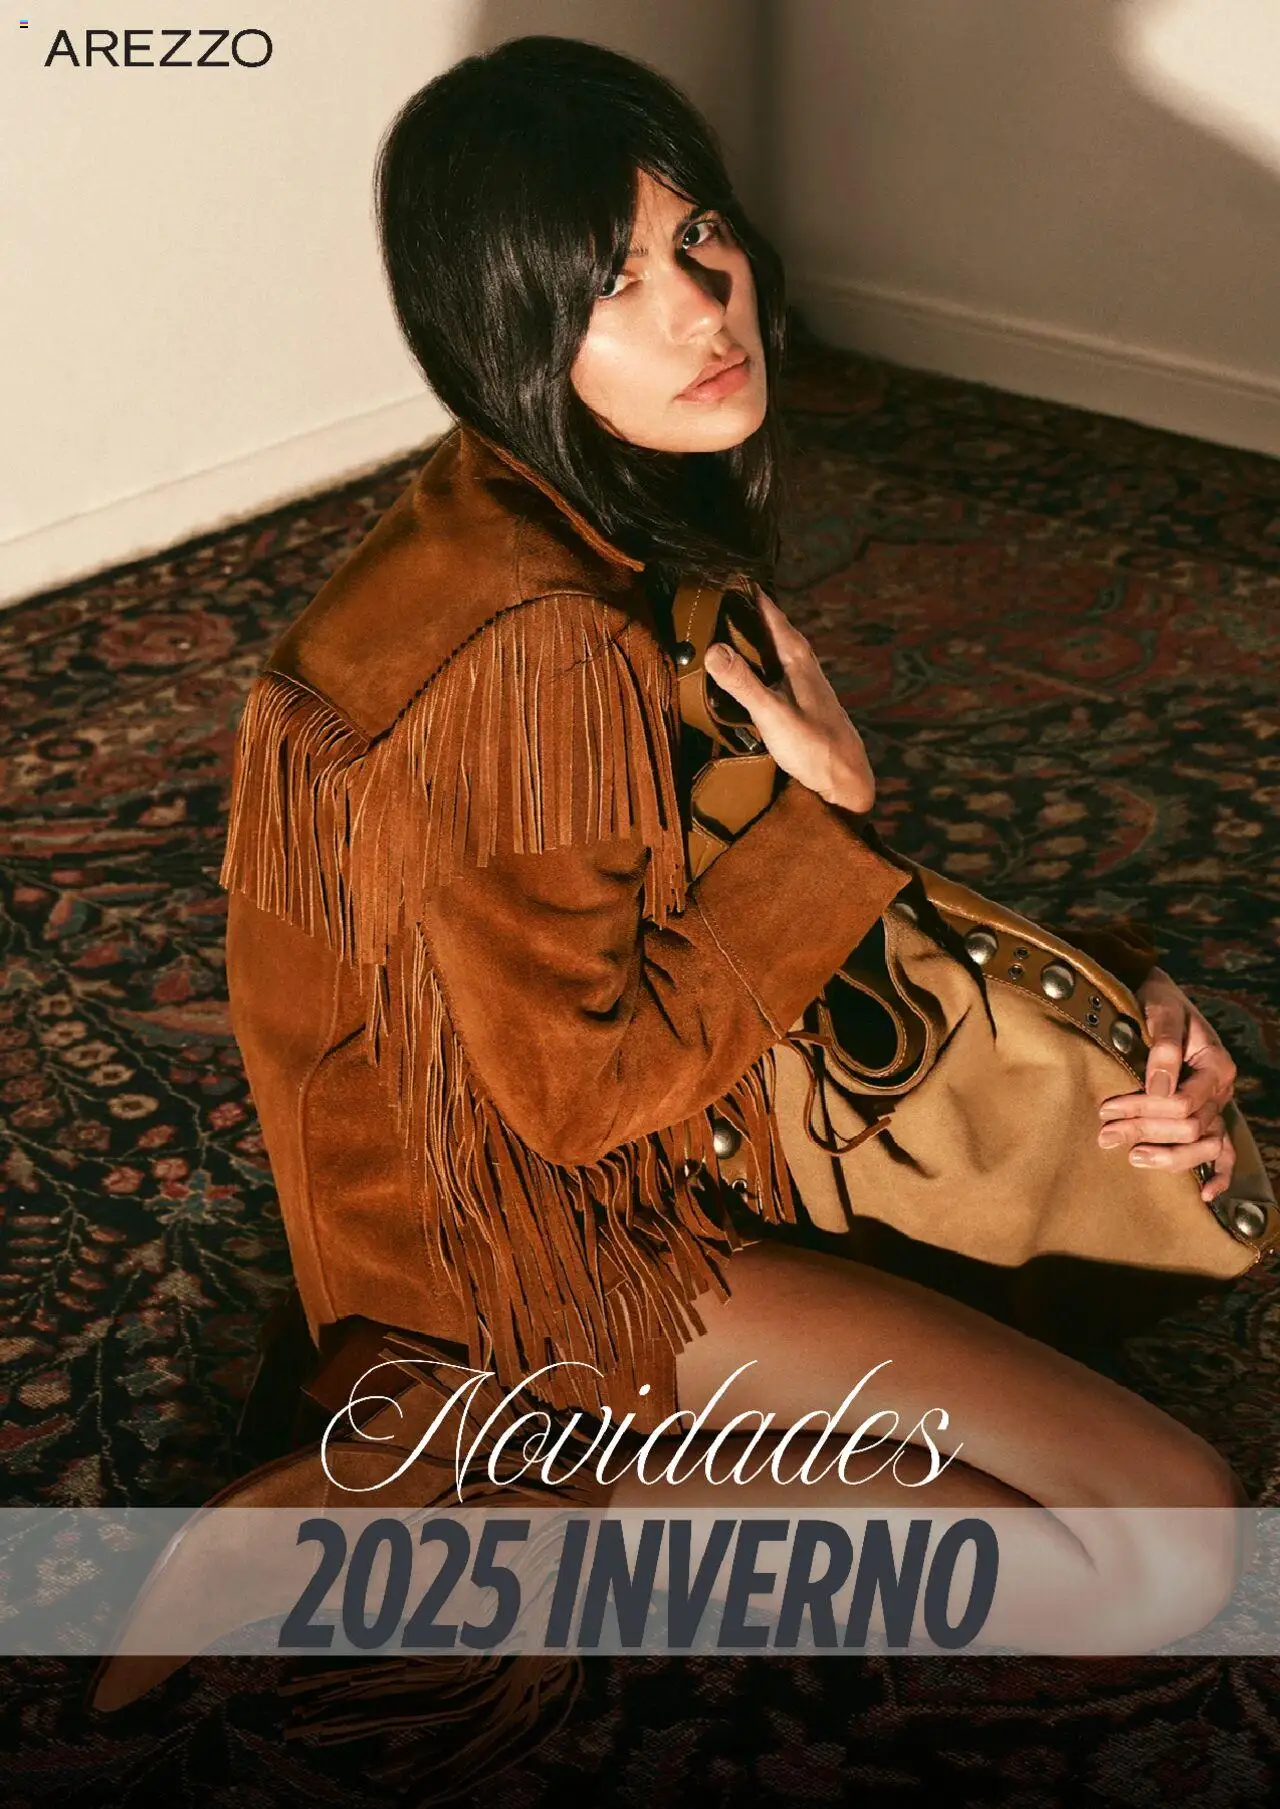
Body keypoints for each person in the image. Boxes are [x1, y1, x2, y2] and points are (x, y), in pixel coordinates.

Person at [91, 32, 1255, 1795]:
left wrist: (1118, 1006)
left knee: (1112, 1440)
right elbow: (583, 1094)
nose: (703, 309)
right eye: (610, 283)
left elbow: (703, 911)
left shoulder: (569, 520)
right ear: (507, 326)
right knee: (1160, 1551)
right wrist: (831, 818)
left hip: (652, 1168)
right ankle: (423, 1496)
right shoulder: (536, 648)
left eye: (696, 235)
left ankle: (491, 1481)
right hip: (541, 1251)